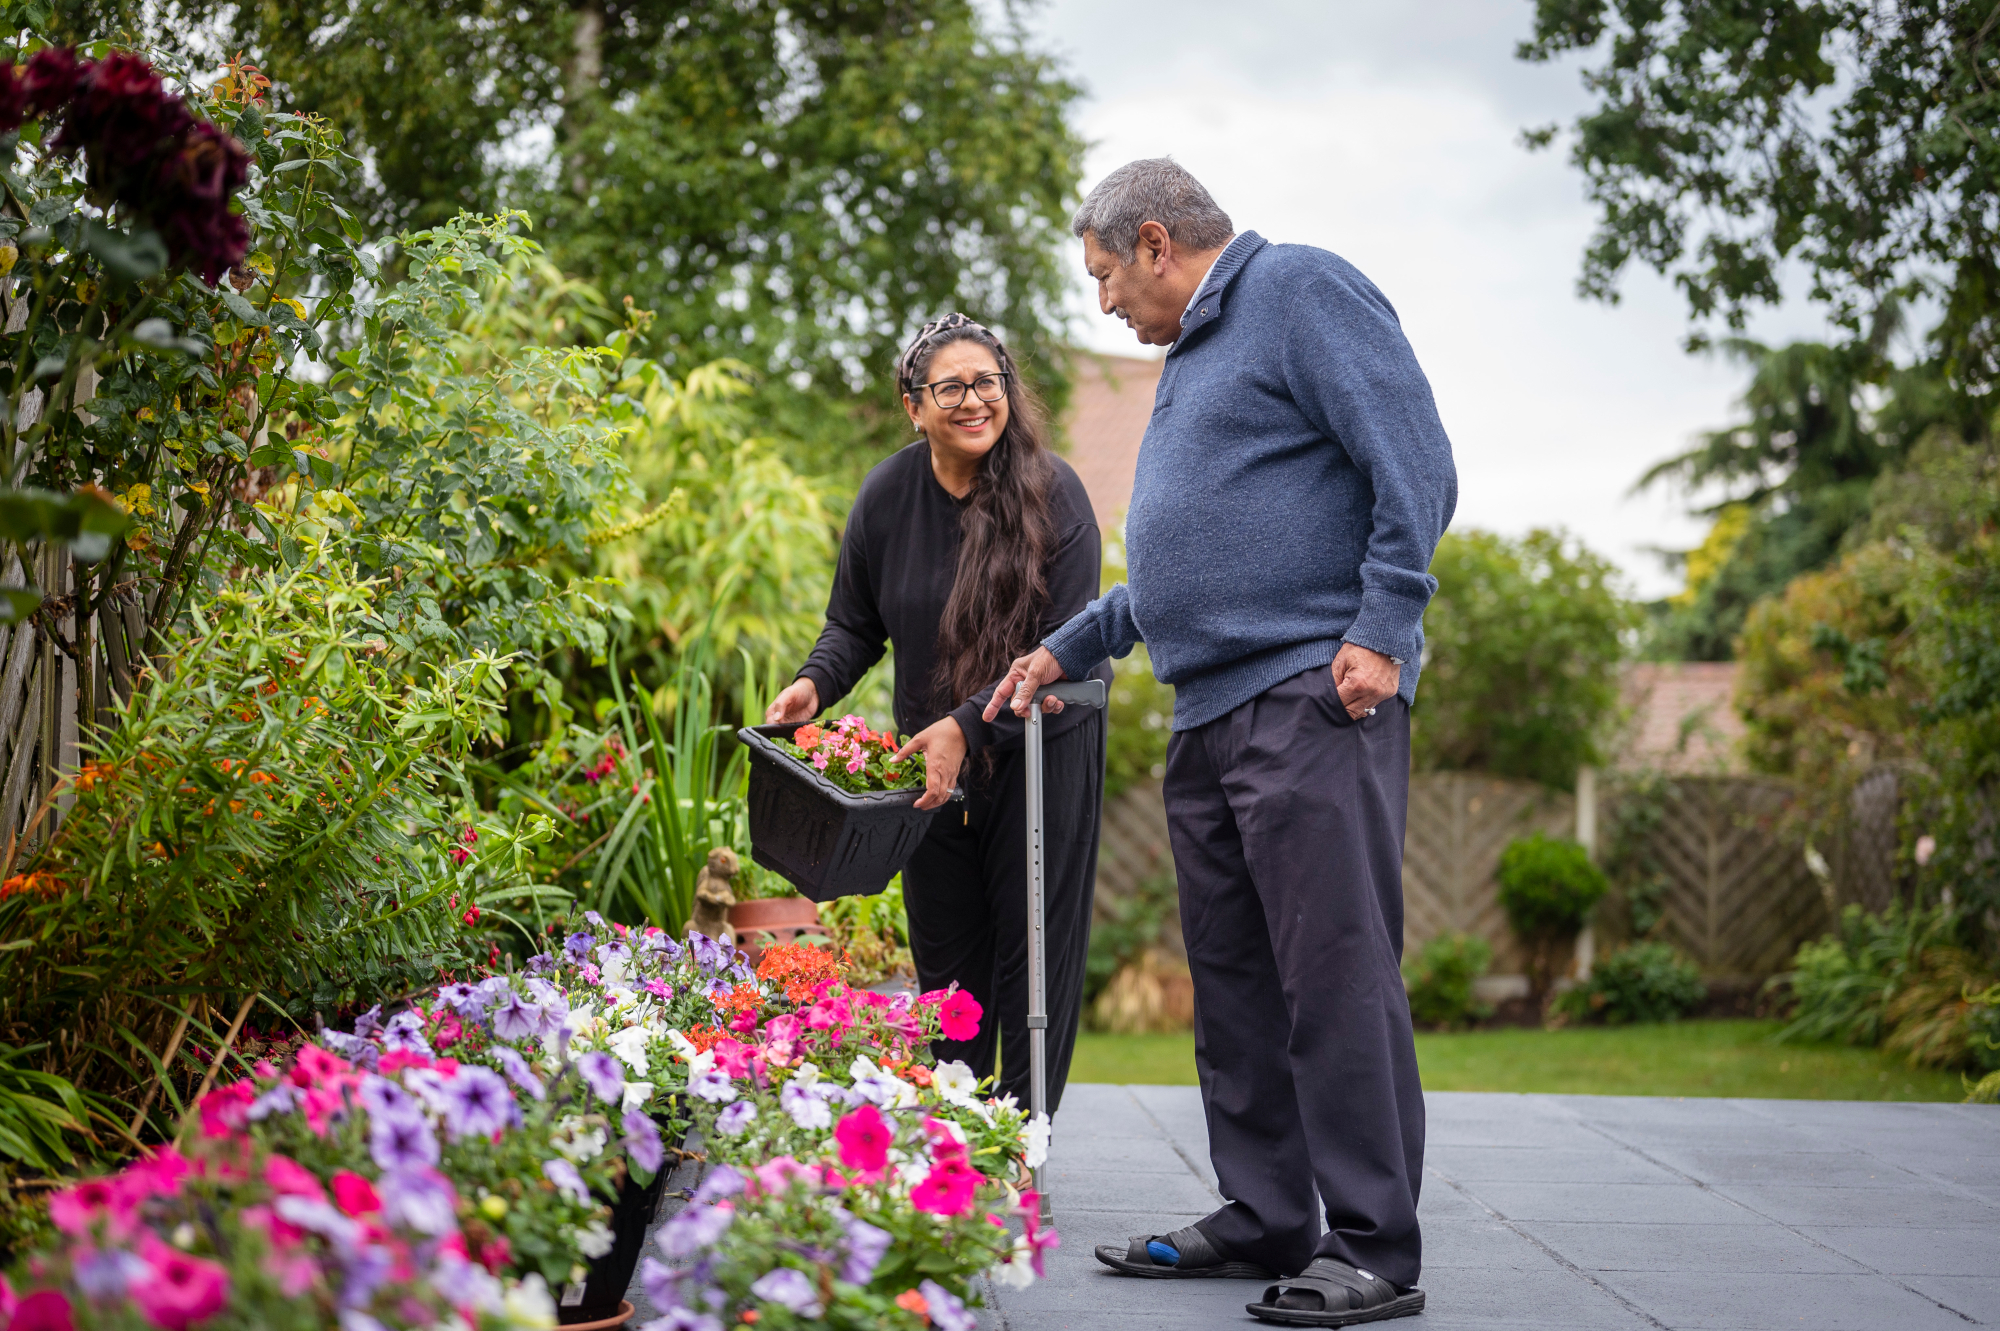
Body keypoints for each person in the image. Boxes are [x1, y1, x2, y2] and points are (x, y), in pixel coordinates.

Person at [987, 159, 1456, 1324]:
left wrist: (1385, 622)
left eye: (1102, 276)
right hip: (1208, 713)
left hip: (1310, 692)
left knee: (1333, 972)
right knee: (1238, 985)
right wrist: (1073, 642)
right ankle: (1265, 1212)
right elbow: (1186, 561)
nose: (1102, 304)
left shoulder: (1296, 291)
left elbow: (1416, 462)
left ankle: (1375, 1244)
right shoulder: (1194, 358)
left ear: (1154, 242)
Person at [764, 313, 1111, 1114]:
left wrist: (966, 722)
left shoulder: (1056, 495)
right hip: (933, 770)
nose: (972, 400)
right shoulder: (888, 495)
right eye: (949, 386)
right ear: (914, 406)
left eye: (987, 382)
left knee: (1032, 965)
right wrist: (814, 685)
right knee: (950, 972)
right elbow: (854, 625)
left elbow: (1067, 645)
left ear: (1008, 392)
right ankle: (958, 1137)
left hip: (1040, 757)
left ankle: (1022, 1145)